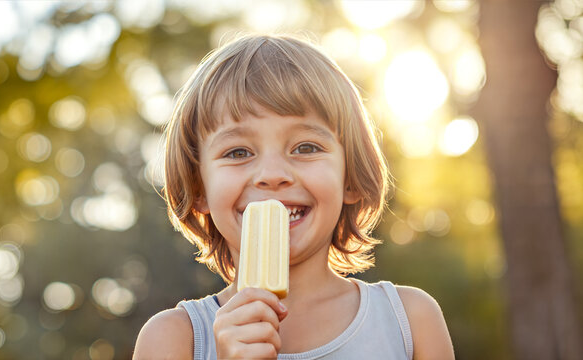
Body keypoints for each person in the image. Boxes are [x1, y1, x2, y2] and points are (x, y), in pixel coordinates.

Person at [133, 34, 454, 359]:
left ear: (350, 178)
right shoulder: (173, 340)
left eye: (306, 147)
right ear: (199, 188)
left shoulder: (410, 322)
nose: (272, 174)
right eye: (238, 151)